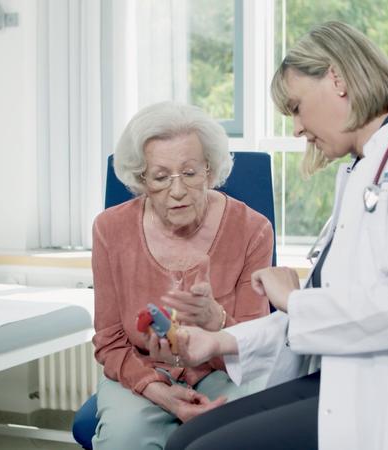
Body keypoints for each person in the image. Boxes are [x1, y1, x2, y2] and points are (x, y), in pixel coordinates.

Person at [165, 21, 388, 450]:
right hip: (350, 380)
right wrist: (220, 340)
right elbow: (327, 312)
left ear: (338, 79)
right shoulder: (363, 171)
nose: (297, 129)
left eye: (297, 107)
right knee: (185, 441)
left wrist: (294, 298)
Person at [90, 101, 274, 450]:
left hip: (223, 373)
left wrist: (216, 320)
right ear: (141, 178)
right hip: (143, 375)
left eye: (190, 173)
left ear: (210, 169)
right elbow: (110, 340)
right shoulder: (110, 230)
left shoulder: (252, 230)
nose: (177, 191)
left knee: (242, 438)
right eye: (160, 177)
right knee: (125, 439)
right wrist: (158, 392)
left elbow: (257, 343)